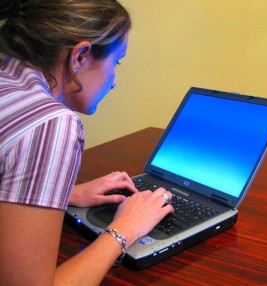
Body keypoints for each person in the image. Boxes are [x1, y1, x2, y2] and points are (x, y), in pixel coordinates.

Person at [0, 0, 174, 285]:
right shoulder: (50, 124)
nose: (114, 81)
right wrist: (126, 228)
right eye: (116, 62)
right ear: (79, 56)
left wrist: (62, 194)